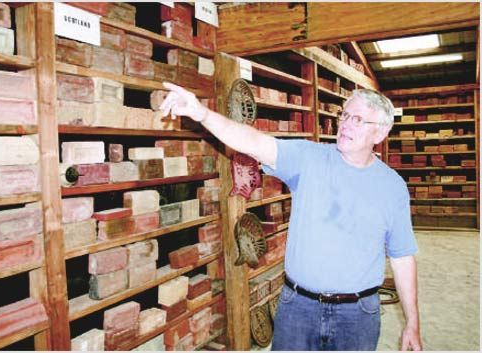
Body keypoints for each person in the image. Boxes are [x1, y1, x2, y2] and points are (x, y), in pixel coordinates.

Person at [160, 82, 422, 351]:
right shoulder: (308, 159)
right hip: (298, 308)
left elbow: (402, 256)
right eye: (344, 115)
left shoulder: (392, 187)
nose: (345, 124)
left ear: (381, 132)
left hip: (357, 316)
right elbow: (253, 142)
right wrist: (201, 113)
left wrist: (412, 322)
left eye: (357, 119)